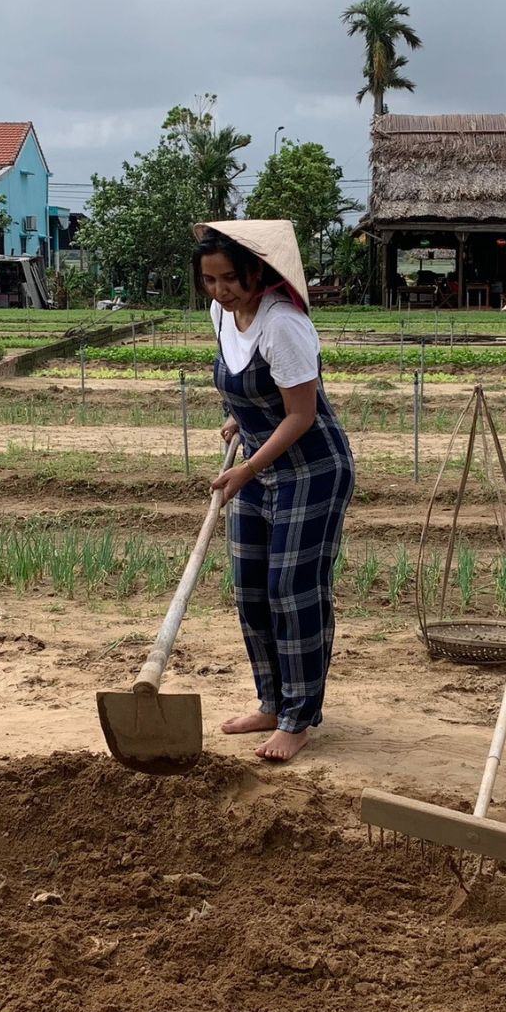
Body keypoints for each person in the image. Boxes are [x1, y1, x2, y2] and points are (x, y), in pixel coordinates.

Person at [201, 220, 355, 763]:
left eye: (230, 279)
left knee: (293, 588)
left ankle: (298, 716)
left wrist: (245, 469)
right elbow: (242, 384)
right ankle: (271, 700)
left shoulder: (283, 324)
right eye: (211, 280)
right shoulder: (222, 315)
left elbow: (300, 414)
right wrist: (237, 417)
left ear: (258, 273)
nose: (220, 291)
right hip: (257, 464)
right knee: (250, 588)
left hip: (312, 470)